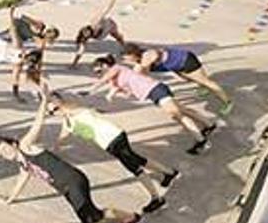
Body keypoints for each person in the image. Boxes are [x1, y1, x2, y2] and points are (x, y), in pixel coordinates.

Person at [0, 89, 141, 223]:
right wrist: (10, 198)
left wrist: (43, 102)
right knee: (96, 213)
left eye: (5, 149)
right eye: (1, 154)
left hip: (73, 182)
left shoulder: (26, 146)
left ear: (13, 144)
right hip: (70, 186)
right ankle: (130, 217)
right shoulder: (23, 163)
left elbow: (37, 125)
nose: (5, 154)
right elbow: (22, 181)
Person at [47, 91, 179, 213]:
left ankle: (156, 198)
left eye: (54, 109)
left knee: (134, 167)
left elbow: (88, 111)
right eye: (51, 113)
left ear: (59, 105)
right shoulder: (67, 122)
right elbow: (61, 138)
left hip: (114, 137)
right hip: (108, 143)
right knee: (136, 159)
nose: (54, 113)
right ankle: (169, 173)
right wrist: (54, 150)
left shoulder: (77, 110)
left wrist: (64, 107)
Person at [82, 54, 216, 155]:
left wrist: (90, 90)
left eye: (99, 71)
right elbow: (124, 92)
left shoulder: (116, 68)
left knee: (177, 115)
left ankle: (202, 141)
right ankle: (209, 124)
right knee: (181, 110)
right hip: (154, 92)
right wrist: (112, 95)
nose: (99, 74)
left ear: (105, 65)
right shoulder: (116, 80)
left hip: (155, 89)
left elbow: (104, 80)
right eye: (97, 73)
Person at [123, 44, 233, 116]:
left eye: (126, 57)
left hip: (185, 60)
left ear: (132, 54)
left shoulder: (147, 56)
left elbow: (143, 73)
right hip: (176, 66)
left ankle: (227, 102)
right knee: (188, 79)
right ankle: (202, 86)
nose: (126, 60)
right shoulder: (139, 60)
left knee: (206, 81)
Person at [69, 0, 127, 70]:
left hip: (109, 25)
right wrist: (74, 63)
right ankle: (123, 47)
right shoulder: (84, 36)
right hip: (101, 34)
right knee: (116, 36)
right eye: (86, 35)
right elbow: (81, 50)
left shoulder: (95, 21)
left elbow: (107, 8)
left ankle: (124, 48)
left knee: (117, 36)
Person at [7, 8, 59, 102]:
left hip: (22, 41)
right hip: (19, 31)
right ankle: (17, 93)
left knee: (19, 70)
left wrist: (39, 67)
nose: (50, 39)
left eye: (51, 38)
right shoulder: (40, 27)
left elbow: (41, 54)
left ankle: (18, 92)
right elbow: (23, 17)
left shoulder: (42, 41)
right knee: (18, 70)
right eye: (50, 37)